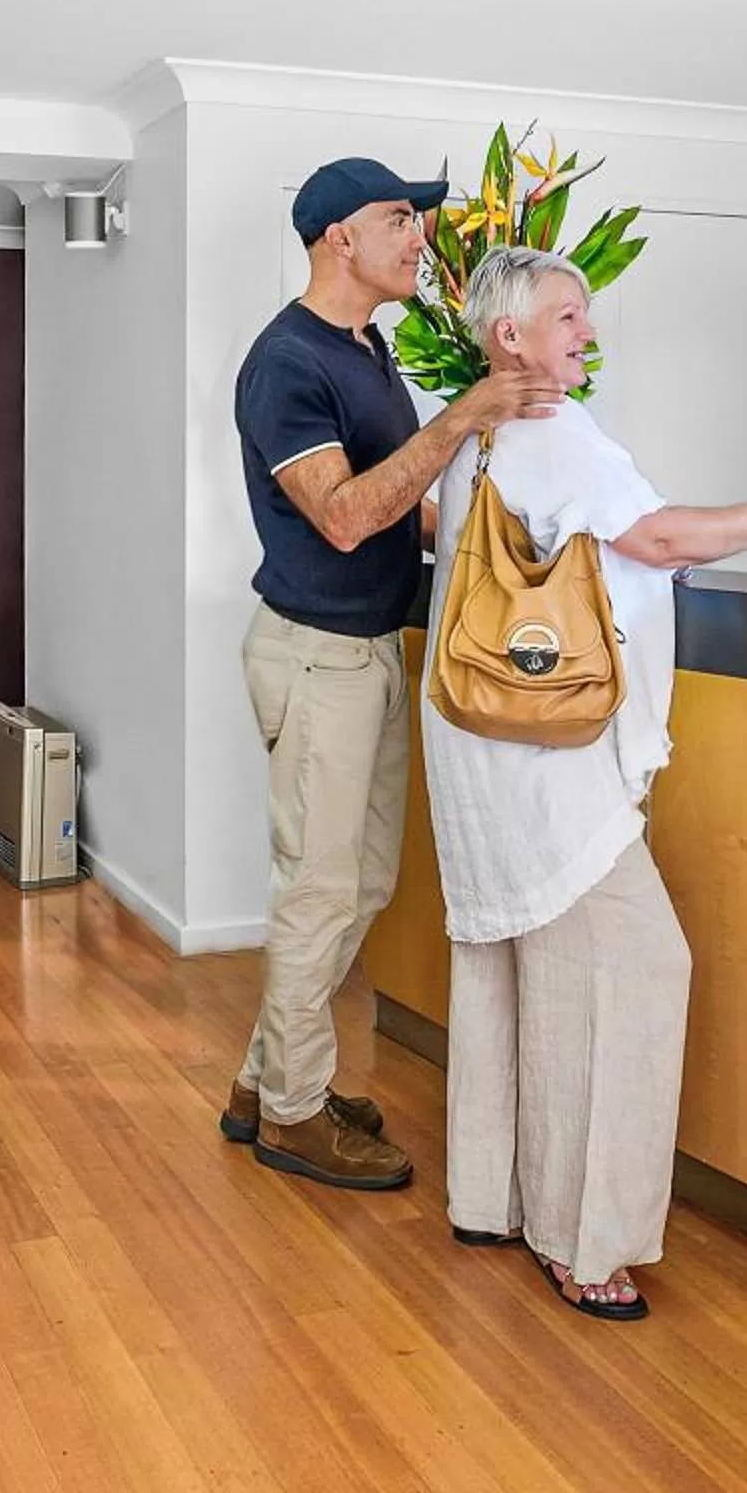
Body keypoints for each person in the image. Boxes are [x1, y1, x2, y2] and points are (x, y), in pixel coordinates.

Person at [425, 247, 747, 1320]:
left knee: (512, 962)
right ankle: (586, 1237)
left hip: (480, 740)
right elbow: (657, 536)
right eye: (567, 315)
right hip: (551, 753)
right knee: (633, 967)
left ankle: (496, 1195)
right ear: (507, 334)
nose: (587, 331)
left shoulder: (467, 432)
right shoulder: (553, 432)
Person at [224, 157, 568, 1191]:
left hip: (368, 650)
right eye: (399, 219)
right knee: (322, 891)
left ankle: (264, 1082)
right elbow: (343, 514)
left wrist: (507, 547)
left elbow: (401, 500)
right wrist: (465, 415)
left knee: (359, 883)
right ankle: (292, 1112)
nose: (419, 236)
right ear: (340, 236)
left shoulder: (366, 349)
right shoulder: (287, 363)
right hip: (317, 656)